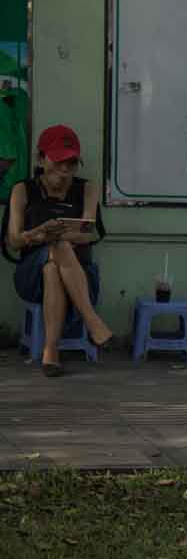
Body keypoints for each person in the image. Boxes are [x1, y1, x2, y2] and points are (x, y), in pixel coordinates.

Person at [5, 125, 114, 377]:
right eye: (58, 161)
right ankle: (92, 321)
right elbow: (13, 240)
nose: (65, 169)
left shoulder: (87, 188)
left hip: (81, 274)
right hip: (30, 275)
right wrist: (37, 233)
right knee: (57, 250)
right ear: (41, 158)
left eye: (72, 162)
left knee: (53, 265)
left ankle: (50, 352)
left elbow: (88, 231)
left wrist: (53, 235)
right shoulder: (22, 190)